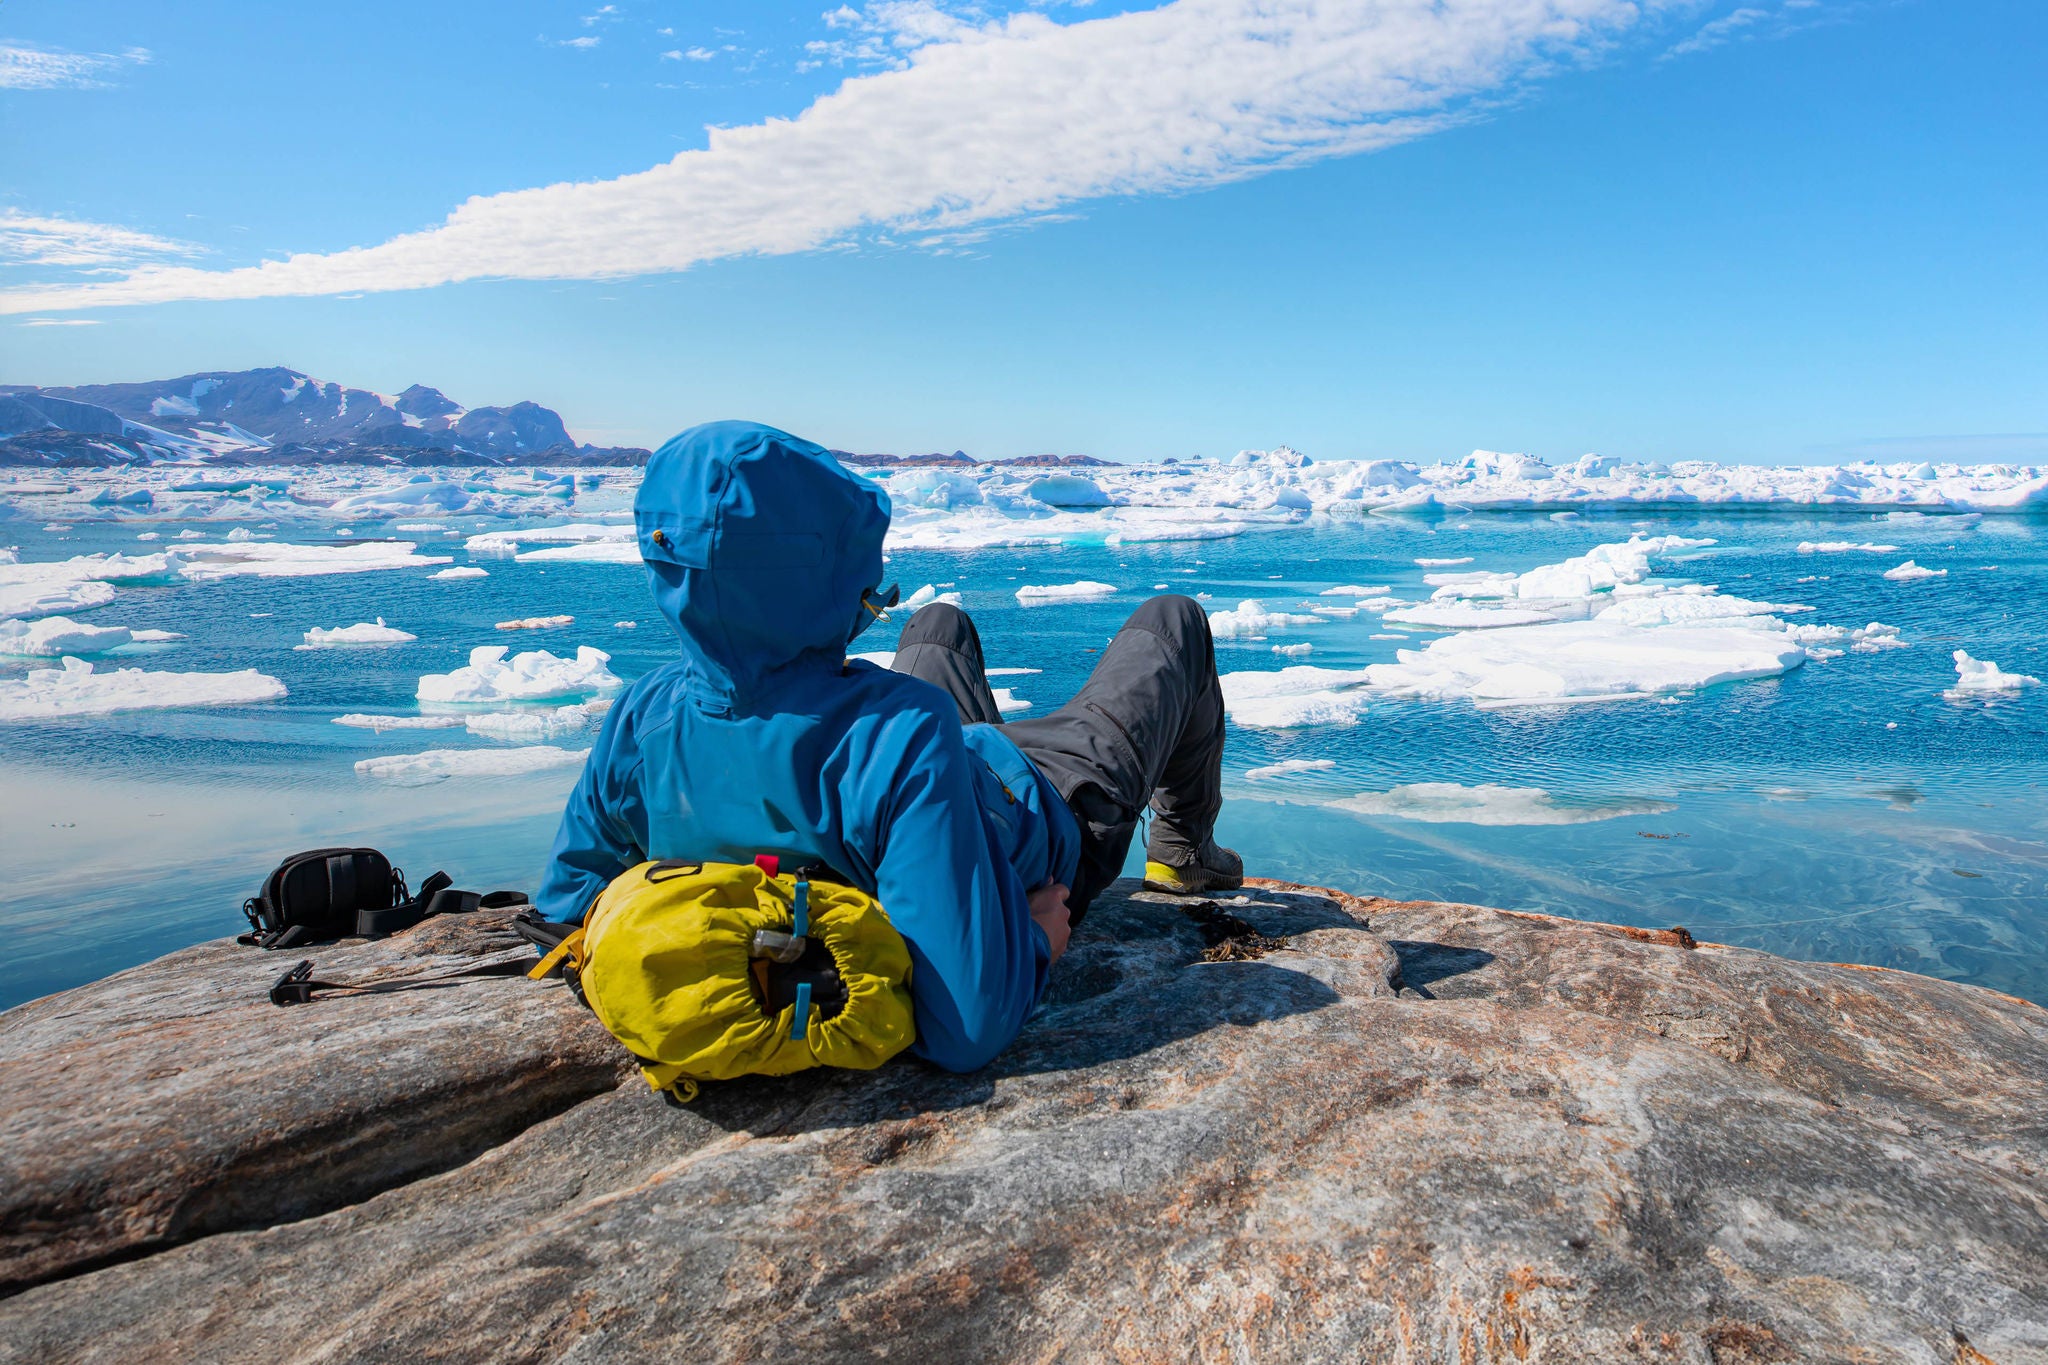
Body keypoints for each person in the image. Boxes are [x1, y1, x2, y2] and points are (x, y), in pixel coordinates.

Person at [536, 421, 1241, 1073]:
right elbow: (968, 1024)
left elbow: (568, 911)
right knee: (1171, 622)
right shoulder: (898, 731)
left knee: (937, 625)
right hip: (1047, 804)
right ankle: (1183, 857)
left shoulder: (643, 714)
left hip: (958, 772)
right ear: (824, 575)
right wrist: (1034, 940)